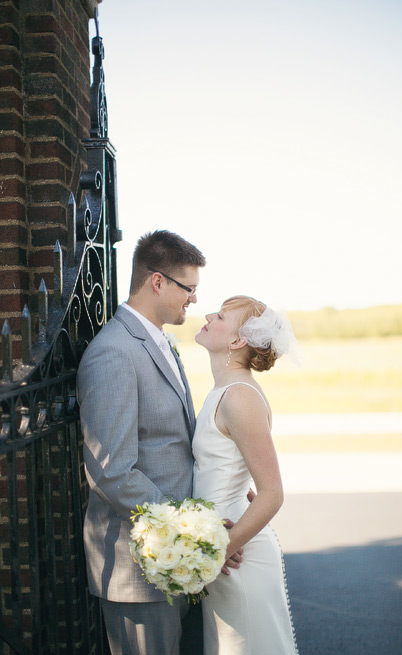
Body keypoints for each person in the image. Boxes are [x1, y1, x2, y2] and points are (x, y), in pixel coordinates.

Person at [79, 230, 215, 654]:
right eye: (188, 288)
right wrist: (189, 531)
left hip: (175, 563)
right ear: (158, 282)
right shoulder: (114, 352)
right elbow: (111, 470)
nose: (193, 300)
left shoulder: (158, 342)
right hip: (138, 569)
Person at [192, 295, 299, 654]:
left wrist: (219, 550)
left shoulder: (239, 397)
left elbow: (272, 493)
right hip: (222, 549)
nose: (207, 315)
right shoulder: (224, 391)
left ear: (238, 342)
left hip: (236, 559)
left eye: (220, 316)